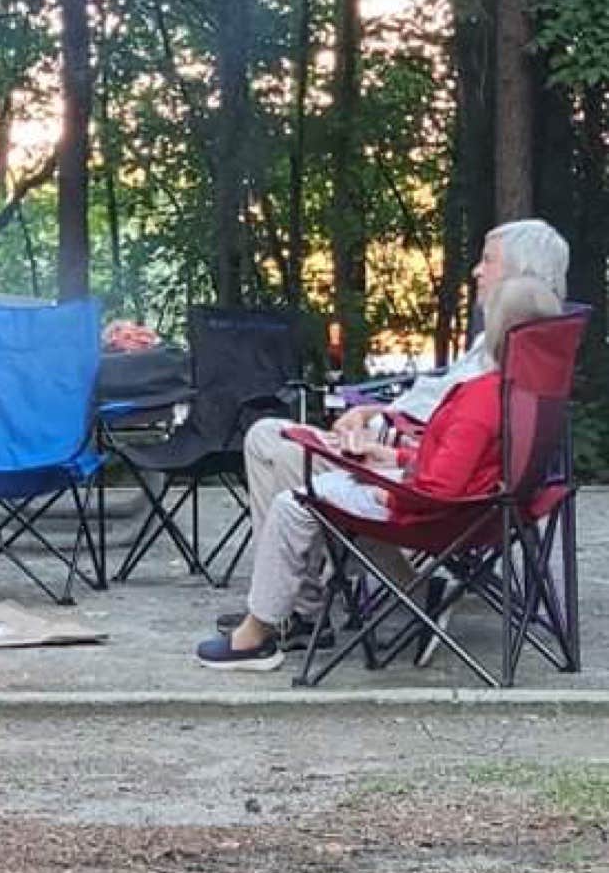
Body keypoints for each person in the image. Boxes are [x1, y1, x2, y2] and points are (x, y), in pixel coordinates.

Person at [225, 217, 570, 649]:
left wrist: (380, 443)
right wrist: (373, 412)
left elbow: (454, 442)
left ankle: (302, 613)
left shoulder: (497, 366)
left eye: (487, 261)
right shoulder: (520, 346)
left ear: (523, 275)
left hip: (420, 476)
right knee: (272, 438)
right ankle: (307, 607)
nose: (477, 271)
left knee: (276, 450)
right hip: (408, 456)